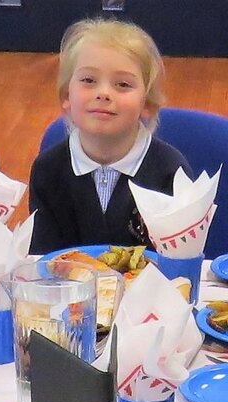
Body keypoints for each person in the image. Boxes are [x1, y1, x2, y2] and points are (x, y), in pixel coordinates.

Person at [28, 18, 191, 254]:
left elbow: (178, 264)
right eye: (88, 80)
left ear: (147, 103)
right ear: (66, 95)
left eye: (123, 84)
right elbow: (44, 261)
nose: (103, 93)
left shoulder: (171, 171)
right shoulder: (48, 170)